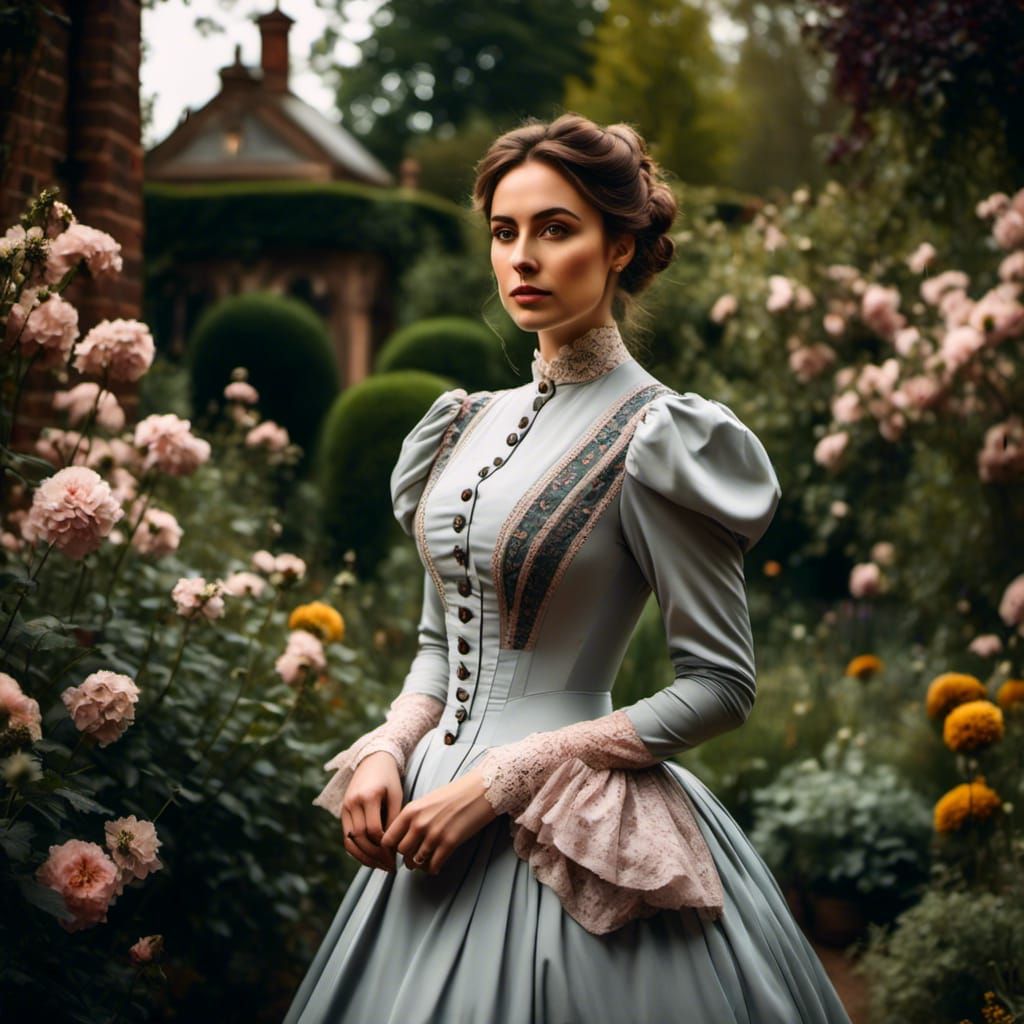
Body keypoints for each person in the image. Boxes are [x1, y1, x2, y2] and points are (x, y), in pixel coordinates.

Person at [283, 112, 853, 1024]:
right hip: (427, 817)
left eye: (556, 229)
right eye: (505, 233)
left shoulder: (661, 437)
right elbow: (441, 640)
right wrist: (391, 747)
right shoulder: (461, 427)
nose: (523, 258)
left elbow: (720, 684)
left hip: (576, 827)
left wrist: (508, 777)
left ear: (620, 246)